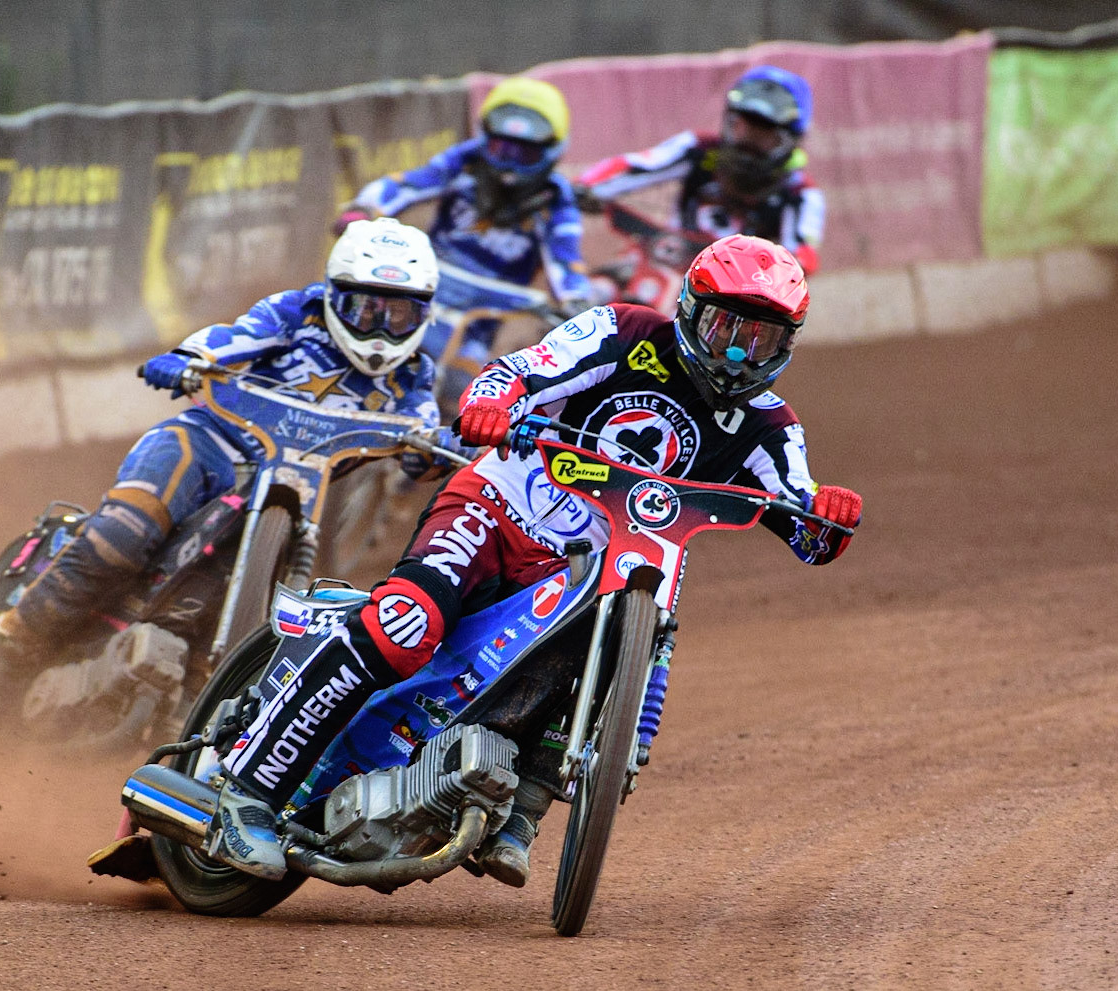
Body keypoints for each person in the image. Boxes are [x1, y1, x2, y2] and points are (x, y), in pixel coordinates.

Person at [206, 234, 863, 885]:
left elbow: (804, 520)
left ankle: (518, 810)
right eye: (726, 327)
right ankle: (245, 795)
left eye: (763, 338)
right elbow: (519, 371)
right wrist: (490, 404)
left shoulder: (770, 428)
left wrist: (830, 517)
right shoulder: (622, 332)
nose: (739, 352)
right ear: (691, 309)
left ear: (788, 344)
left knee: (608, 652)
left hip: (581, 575)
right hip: (498, 507)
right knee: (407, 623)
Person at [0, 217, 445, 714]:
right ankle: (6, 652)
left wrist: (431, 450)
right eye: (365, 309)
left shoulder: (413, 375)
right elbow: (233, 338)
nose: (381, 328)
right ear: (334, 297)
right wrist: (190, 357)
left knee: (292, 605)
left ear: (423, 315)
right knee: (124, 533)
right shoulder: (297, 313)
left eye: (399, 315)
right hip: (207, 446)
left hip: (296, 490)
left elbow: (423, 432)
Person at [334, 76, 597, 413]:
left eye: (526, 153)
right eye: (502, 149)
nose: (510, 164)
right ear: (485, 137)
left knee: (461, 396)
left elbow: (566, 260)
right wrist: (364, 208)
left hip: (485, 311)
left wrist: (576, 300)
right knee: (362, 338)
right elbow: (408, 184)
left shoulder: (556, 199)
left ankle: (437, 457)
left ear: (551, 151)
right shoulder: (464, 162)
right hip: (426, 284)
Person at [574, 65, 825, 274]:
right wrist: (588, 187)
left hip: (733, 292)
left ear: (790, 140)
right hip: (665, 258)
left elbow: (800, 261)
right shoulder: (700, 149)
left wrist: (759, 270)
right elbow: (638, 166)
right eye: (742, 128)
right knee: (604, 288)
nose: (748, 142)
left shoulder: (801, 194)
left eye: (763, 135)